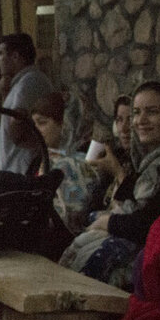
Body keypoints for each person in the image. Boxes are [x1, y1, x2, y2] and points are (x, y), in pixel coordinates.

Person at [62, 82, 160, 288]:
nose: (140, 121)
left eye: (152, 112)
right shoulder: (145, 160)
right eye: (137, 113)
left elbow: (150, 223)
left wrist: (107, 223)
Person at [29, 91, 98, 233]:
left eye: (42, 123)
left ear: (64, 124)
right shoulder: (39, 159)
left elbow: (70, 217)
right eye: (33, 124)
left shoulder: (78, 164)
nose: (35, 130)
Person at [0, 32, 55, 174]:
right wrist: (5, 93)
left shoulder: (28, 83)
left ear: (15, 56)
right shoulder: (22, 82)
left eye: (1, 53)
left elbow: (17, 128)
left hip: (22, 170)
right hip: (16, 169)